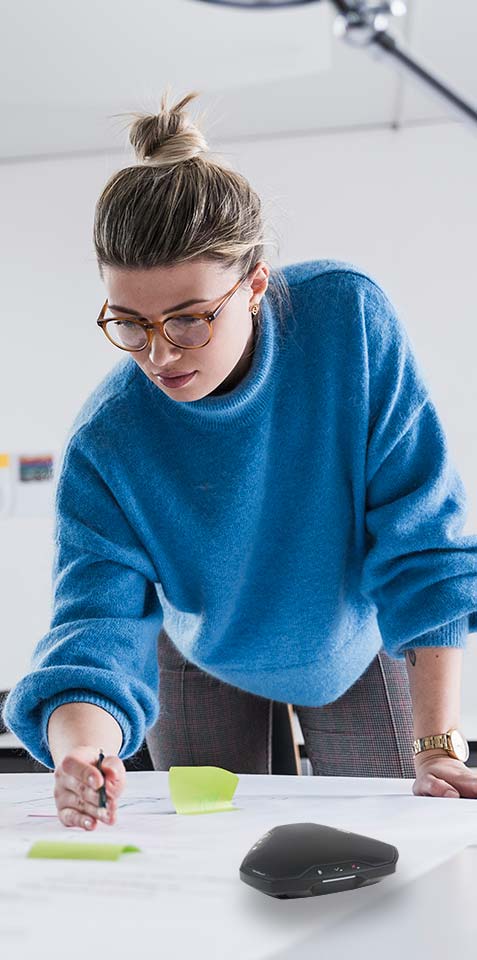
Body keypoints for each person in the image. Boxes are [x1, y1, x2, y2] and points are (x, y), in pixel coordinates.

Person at [3, 87, 477, 831]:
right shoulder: (109, 439)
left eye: (189, 319)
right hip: (197, 653)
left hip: (352, 640)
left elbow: (422, 543)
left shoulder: (346, 323)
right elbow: (94, 630)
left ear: (254, 284)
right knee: (210, 849)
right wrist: (81, 754)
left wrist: (440, 745)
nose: (158, 355)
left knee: (396, 831)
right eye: (129, 323)